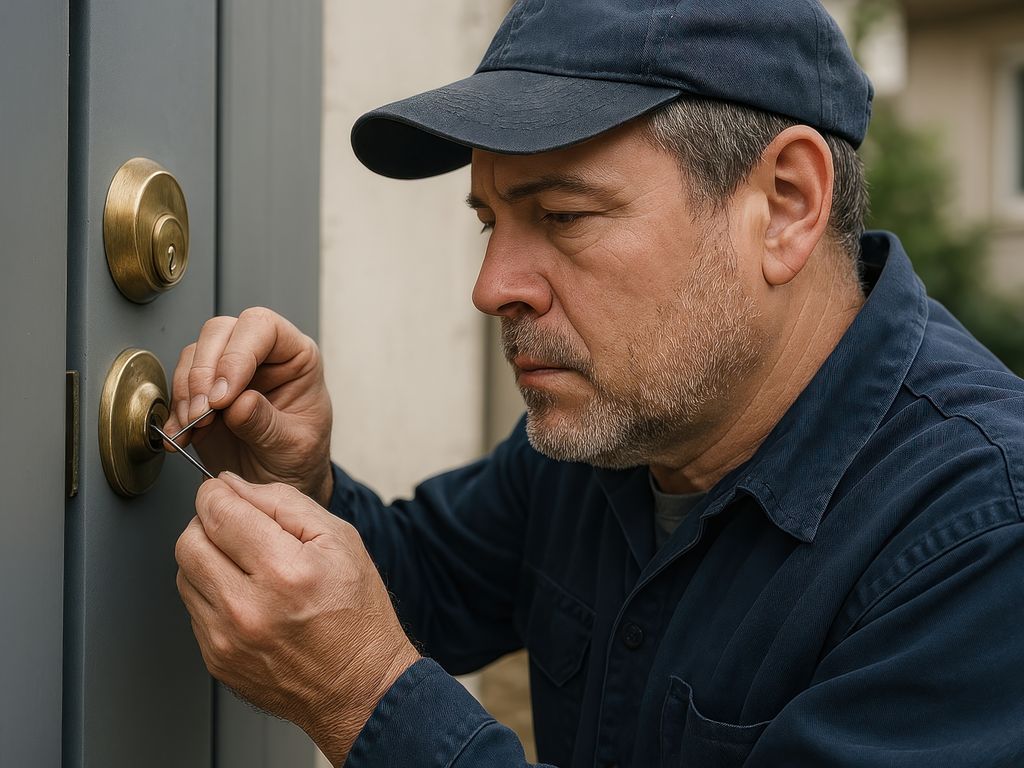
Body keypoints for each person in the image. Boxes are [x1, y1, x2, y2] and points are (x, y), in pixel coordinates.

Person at [167, 1, 1024, 766]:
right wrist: (298, 485)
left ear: (788, 204)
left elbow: (368, 659)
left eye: (563, 215)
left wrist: (366, 698)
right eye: (491, 220)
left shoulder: (981, 541)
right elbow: (418, 588)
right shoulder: (621, 424)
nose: (492, 286)